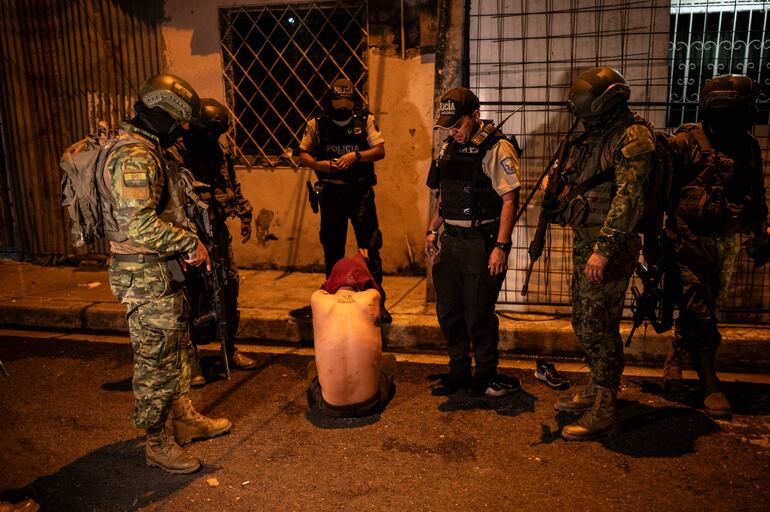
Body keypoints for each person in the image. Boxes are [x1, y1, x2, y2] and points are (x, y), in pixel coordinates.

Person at [105, 74, 231, 474]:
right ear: (160, 116)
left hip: (160, 272)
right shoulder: (134, 157)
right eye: (179, 121)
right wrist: (188, 243)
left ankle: (184, 420)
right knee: (155, 363)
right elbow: (137, 223)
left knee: (177, 351)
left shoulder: (152, 149)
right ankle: (158, 444)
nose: (185, 129)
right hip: (144, 277)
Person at [549, 67, 654, 440]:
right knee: (583, 320)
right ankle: (597, 386)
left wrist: (604, 250)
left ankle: (606, 405)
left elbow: (629, 200)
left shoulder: (633, 137)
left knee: (599, 325)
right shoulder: (599, 135)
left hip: (609, 247)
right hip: (588, 241)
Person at [661, 74, 768, 417]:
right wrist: (653, 238)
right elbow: (659, 193)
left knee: (708, 308)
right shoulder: (685, 142)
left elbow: (756, 193)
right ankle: (710, 383)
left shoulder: (748, 146)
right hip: (687, 241)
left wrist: (760, 232)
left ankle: (678, 353)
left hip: (726, 242)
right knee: (698, 311)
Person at [424, 87, 521, 397]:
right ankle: (459, 372)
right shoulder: (447, 148)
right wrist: (431, 230)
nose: (454, 131)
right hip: (451, 240)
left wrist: (501, 247)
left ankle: (487, 374)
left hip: (481, 242)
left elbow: (510, 199)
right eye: (449, 125)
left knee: (478, 312)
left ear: (475, 116)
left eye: (458, 125)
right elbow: (444, 195)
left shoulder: (497, 148)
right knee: (449, 311)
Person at [173, 98, 257, 385]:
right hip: (189, 233)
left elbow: (230, 185)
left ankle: (229, 348)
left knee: (228, 288)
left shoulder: (218, 151)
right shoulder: (176, 153)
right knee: (193, 294)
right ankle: (192, 358)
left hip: (218, 231)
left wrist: (245, 214)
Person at [298, 78, 391, 322]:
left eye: (346, 102)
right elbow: (302, 153)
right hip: (331, 194)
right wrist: (319, 165)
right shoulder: (317, 123)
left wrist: (356, 156)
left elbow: (380, 150)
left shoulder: (365, 120)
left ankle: (376, 301)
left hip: (359, 193)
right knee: (333, 248)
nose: (342, 107)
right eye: (337, 102)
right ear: (329, 101)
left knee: (369, 246)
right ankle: (333, 298)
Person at [306, 254, 396, 417]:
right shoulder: (371, 297)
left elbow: (325, 287)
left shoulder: (318, 300)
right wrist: (361, 261)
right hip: (370, 404)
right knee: (389, 361)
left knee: (312, 366)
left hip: (330, 407)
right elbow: (373, 285)